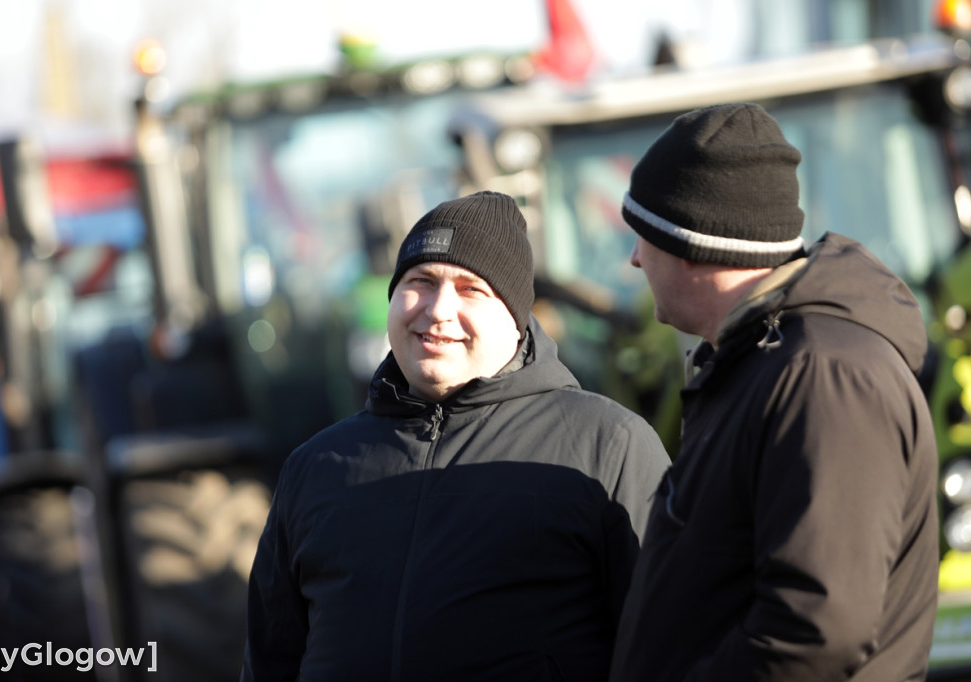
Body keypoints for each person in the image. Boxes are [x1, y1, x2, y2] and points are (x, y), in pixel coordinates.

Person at [242, 190, 670, 681]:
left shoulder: (606, 446)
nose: (438, 309)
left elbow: (668, 645)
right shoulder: (316, 468)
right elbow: (270, 661)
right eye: (420, 281)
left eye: (471, 290)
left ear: (516, 316)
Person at [608, 102, 939, 681]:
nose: (634, 259)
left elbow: (814, 629)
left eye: (643, 235)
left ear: (690, 240)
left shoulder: (823, 375)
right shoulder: (766, 362)